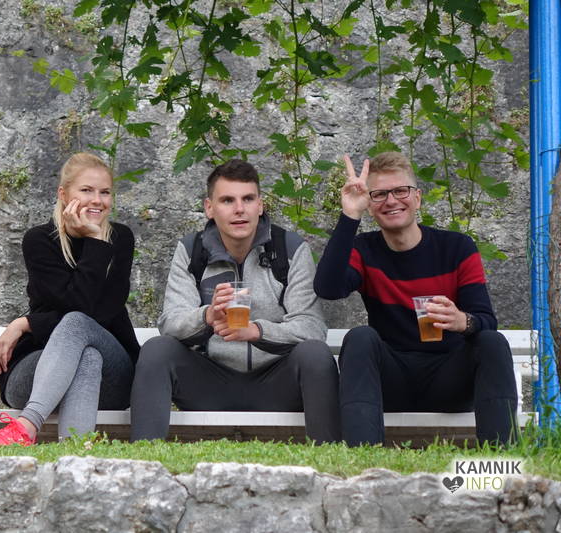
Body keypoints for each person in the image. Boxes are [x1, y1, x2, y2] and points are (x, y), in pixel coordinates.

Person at [314, 151, 517, 446]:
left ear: (417, 198)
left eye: (401, 191)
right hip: (391, 381)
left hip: (449, 381)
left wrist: (462, 321)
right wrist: (350, 216)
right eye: (379, 194)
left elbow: (486, 321)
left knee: (492, 341)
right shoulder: (364, 249)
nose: (391, 201)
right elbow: (328, 288)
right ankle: (363, 456)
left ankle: (501, 455)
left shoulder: (457, 248)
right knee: (360, 337)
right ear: (370, 205)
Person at [130, 159, 340, 443]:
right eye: (227, 200)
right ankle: (144, 456)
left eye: (248, 199)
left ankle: (328, 454)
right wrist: (207, 316)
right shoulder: (192, 251)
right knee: (157, 350)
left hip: (276, 384)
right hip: (210, 384)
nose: (239, 209)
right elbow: (171, 322)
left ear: (260, 205)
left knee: (315, 354)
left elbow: (312, 326)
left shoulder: (289, 248)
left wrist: (257, 331)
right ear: (209, 208)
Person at [0, 152, 139, 446]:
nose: (97, 200)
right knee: (86, 355)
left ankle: (27, 426)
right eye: (86, 190)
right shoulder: (40, 240)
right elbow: (75, 304)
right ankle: (76, 451)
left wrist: (26, 323)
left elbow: (98, 314)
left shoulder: (120, 239)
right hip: (36, 369)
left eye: (105, 192)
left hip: (112, 377)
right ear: (63, 194)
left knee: (80, 326)